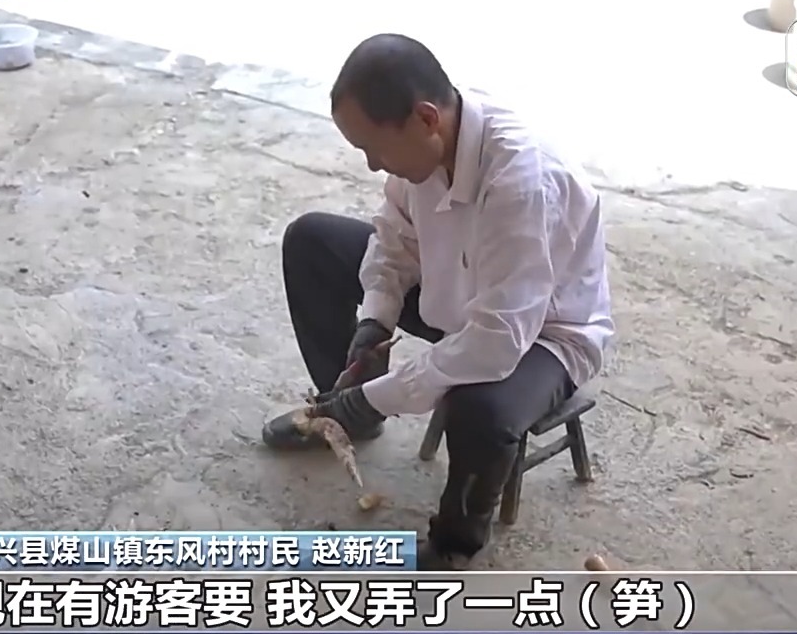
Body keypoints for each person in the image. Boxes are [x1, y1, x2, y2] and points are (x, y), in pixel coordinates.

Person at [261, 33, 615, 569]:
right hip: (459, 294)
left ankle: (454, 544)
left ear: (426, 118)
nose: (373, 165)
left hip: (541, 333)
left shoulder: (523, 181)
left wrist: (385, 394)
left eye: (375, 149)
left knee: (478, 407)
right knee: (312, 241)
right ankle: (342, 414)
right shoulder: (426, 147)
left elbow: (495, 344)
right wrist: (375, 319)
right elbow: (394, 240)